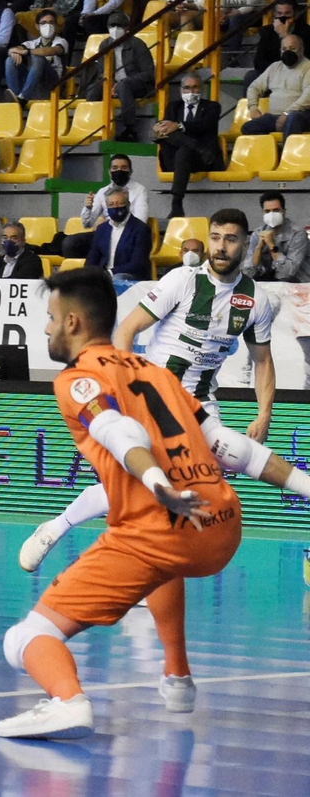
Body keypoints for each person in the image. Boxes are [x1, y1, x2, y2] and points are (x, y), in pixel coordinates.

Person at [0, 265, 253, 739]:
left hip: (153, 522)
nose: (48, 327)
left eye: (51, 318)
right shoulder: (160, 372)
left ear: (73, 322)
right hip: (220, 523)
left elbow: (119, 433)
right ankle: (177, 674)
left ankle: (68, 701)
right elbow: (233, 449)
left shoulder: (76, 379)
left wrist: (157, 483)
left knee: (24, 638)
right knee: (164, 559)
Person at [23, 212, 310, 574]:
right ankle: (63, 531)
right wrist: (125, 387)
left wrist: (264, 413)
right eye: (216, 237)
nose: (221, 246)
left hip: (201, 402)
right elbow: (126, 330)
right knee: (203, 459)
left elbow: (263, 361)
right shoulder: (183, 281)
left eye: (231, 239)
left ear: (246, 242)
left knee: (156, 484)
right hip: (155, 396)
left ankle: (59, 528)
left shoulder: (256, 300)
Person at [75, 11, 154, 142]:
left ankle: (130, 129)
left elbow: (148, 73)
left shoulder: (137, 45)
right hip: (113, 82)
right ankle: (92, 124)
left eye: (120, 26)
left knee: (124, 86)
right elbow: (101, 71)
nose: (116, 30)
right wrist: (110, 84)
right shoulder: (104, 45)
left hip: (140, 84)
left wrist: (123, 82)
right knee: (93, 89)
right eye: (112, 26)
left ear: (127, 28)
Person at [156, 75, 223, 221]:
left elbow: (203, 126)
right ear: (181, 90)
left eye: (195, 87)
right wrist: (159, 129)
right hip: (180, 159)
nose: (191, 90)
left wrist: (179, 125)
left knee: (183, 150)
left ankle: (176, 204)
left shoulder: (213, 107)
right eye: (187, 87)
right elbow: (165, 130)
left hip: (204, 160)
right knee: (171, 139)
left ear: (201, 88)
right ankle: (196, 147)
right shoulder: (173, 107)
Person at [68, 154, 147, 261]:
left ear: (130, 171)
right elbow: (87, 224)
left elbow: (141, 220)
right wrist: (88, 208)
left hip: (128, 233)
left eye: (124, 168)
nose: (119, 171)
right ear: (109, 172)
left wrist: (112, 222)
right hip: (105, 232)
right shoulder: (102, 192)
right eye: (115, 168)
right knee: (70, 243)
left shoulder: (139, 190)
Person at [243, 36, 310, 136]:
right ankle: (270, 150)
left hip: (300, 115)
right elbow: (254, 87)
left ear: (301, 50)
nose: (288, 52)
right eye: (284, 49)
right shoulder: (274, 67)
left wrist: (287, 113)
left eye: (292, 49)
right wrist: (253, 108)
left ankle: (287, 151)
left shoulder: (307, 67)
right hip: (274, 117)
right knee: (248, 128)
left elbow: (308, 96)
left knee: (293, 119)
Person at [83, 188, 151, 280]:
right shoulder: (102, 229)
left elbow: (138, 263)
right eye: (111, 204)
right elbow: (92, 257)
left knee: (117, 278)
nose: (115, 207)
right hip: (103, 275)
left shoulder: (141, 229)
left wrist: (110, 273)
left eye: (120, 203)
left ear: (128, 204)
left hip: (129, 276)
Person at [5, 8, 68, 103]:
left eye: (51, 22)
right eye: (44, 23)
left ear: (55, 25)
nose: (48, 25)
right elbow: (13, 50)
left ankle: (23, 97)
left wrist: (27, 52)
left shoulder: (61, 41)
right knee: (10, 60)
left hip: (52, 84)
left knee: (39, 59)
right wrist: (13, 52)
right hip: (33, 83)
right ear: (37, 26)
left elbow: (51, 50)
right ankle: (16, 97)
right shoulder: (32, 43)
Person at [245, 193, 308, 283]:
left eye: (276, 210)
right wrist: (259, 247)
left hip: (297, 284)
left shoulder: (298, 234)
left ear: (284, 212)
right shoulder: (257, 233)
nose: (271, 215)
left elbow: (287, 272)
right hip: (268, 284)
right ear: (262, 213)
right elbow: (247, 272)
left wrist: (272, 246)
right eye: (267, 211)